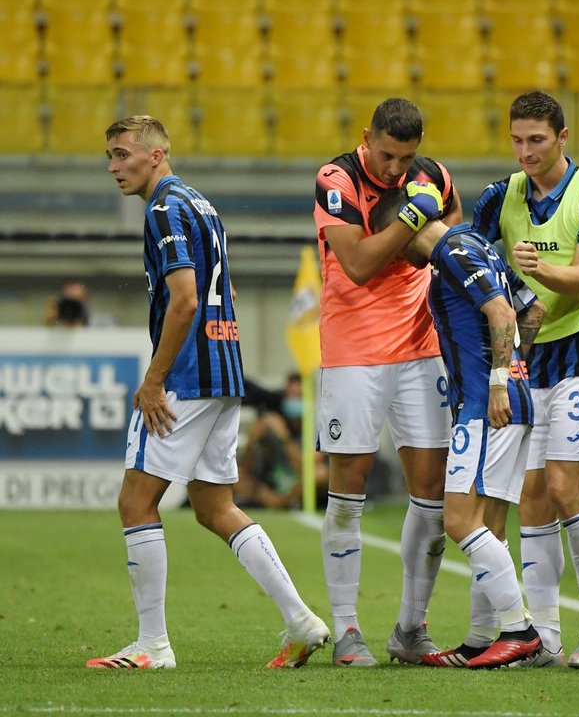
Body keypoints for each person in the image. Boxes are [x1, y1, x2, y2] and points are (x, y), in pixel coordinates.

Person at [88, 116, 329, 670]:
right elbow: (226, 282)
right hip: (226, 368)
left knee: (135, 501)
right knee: (214, 504)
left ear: (157, 154)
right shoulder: (201, 204)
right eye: (110, 155)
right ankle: (300, 620)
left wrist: (154, 379)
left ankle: (152, 646)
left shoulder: (164, 209)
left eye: (123, 154)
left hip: (188, 376)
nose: (113, 166)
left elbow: (186, 299)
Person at [471, 91, 579, 669]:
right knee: (529, 497)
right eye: (517, 140)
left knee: (564, 489)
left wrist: (535, 269)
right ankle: (545, 638)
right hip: (527, 362)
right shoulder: (498, 198)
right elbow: (481, 269)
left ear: (562, 136)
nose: (525, 151)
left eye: (537, 139)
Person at [371, 187, 548, 668]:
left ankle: (520, 631)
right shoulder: (481, 245)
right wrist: (512, 369)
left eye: (392, 240)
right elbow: (533, 309)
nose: (394, 254)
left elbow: (503, 313)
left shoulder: (450, 252)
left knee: (458, 521)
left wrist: (494, 381)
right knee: (488, 525)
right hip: (514, 400)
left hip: (484, 407)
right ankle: (479, 639)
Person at [312, 98, 460, 667]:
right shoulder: (336, 178)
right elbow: (358, 264)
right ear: (366, 136)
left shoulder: (434, 176)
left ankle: (410, 628)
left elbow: (452, 239)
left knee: (435, 493)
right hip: (353, 352)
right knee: (349, 488)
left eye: (407, 158)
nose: (397, 169)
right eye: (387, 156)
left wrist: (429, 225)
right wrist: (413, 220)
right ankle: (348, 629)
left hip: (422, 347)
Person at [238, 373, 330, 510]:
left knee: (320, 474)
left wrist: (284, 437)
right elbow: (247, 469)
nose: (294, 401)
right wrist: (253, 439)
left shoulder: (317, 425)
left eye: (299, 396)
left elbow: (304, 469)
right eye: (291, 396)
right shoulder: (272, 418)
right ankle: (277, 502)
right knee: (236, 477)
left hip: (297, 486)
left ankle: (283, 503)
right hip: (270, 486)